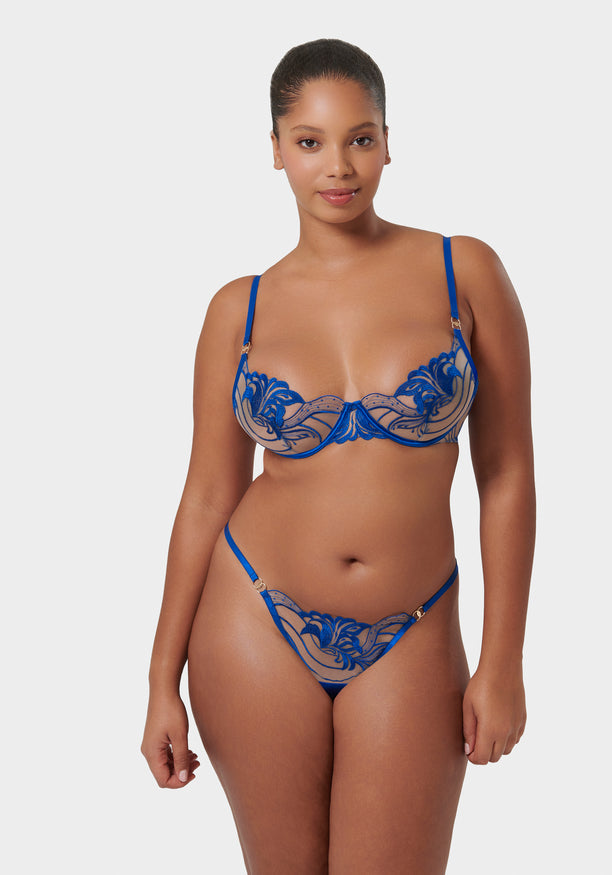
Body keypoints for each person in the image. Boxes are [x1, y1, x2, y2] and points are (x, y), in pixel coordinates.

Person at [141, 37, 535, 874]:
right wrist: (159, 682)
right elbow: (207, 497)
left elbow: (507, 475)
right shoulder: (239, 310)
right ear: (276, 150)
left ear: (389, 142)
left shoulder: (462, 270)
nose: (339, 166)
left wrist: (503, 661)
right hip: (253, 618)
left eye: (360, 137)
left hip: (414, 626)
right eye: (310, 141)